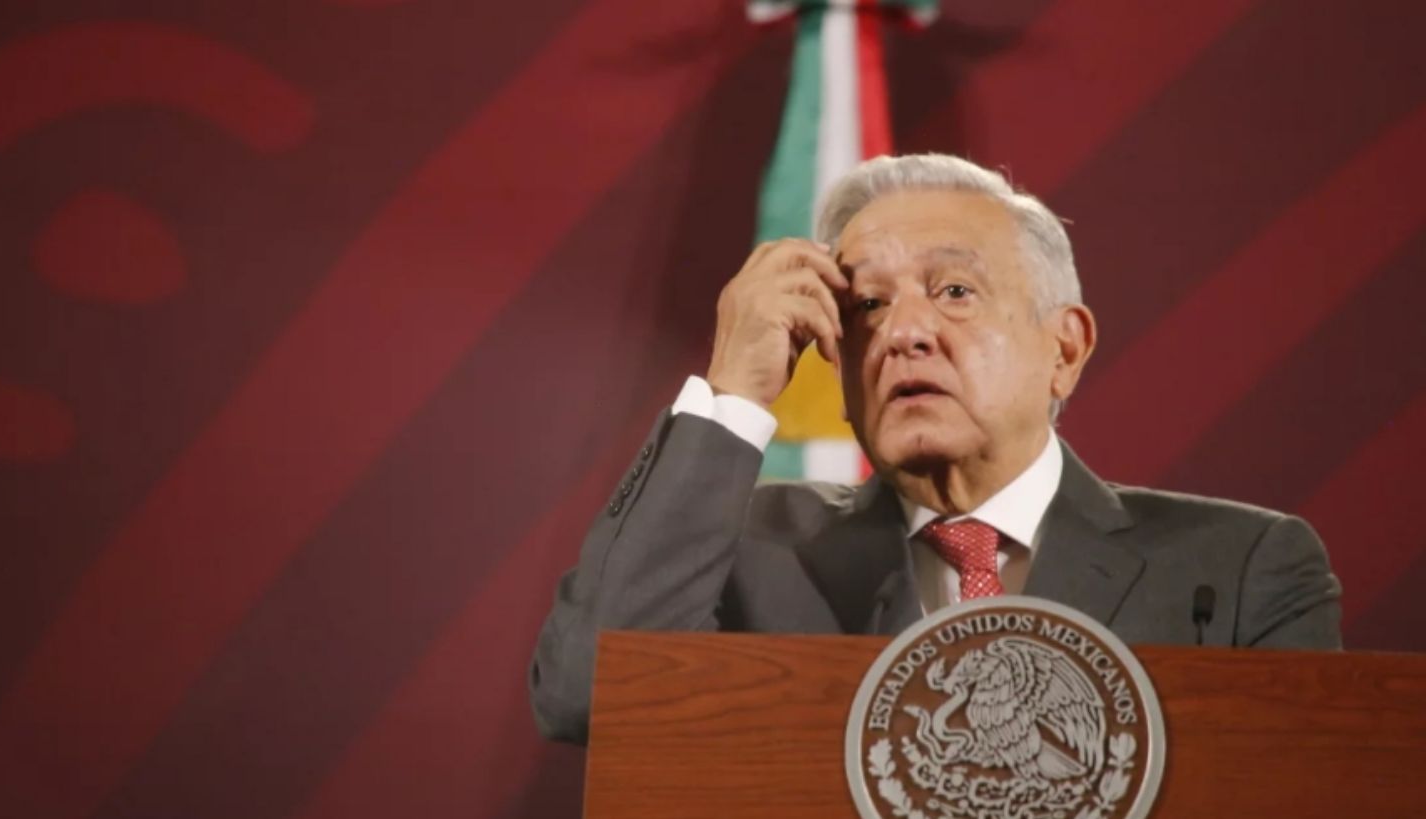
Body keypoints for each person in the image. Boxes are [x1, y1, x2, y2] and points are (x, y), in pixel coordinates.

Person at [527, 153, 1342, 744]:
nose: (904, 332)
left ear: (1064, 347)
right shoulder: (743, 553)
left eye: (954, 290)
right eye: (867, 305)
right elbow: (586, 696)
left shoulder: (1240, 568)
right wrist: (735, 389)